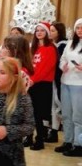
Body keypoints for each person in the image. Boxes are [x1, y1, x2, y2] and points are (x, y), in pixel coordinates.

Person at [0, 57, 34, 166]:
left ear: (14, 77)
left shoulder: (23, 98)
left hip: (12, 154)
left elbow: (30, 126)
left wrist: (8, 131)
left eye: (2, 73)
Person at [27, 22, 57, 151]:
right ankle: (28, 137)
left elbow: (45, 69)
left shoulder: (50, 48)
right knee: (29, 112)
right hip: (31, 83)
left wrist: (32, 80)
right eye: (37, 30)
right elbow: (28, 65)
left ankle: (39, 139)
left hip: (42, 84)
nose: (39, 33)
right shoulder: (33, 48)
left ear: (47, 33)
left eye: (42, 30)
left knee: (38, 113)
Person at [56, 18, 82, 157]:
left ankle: (78, 144)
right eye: (77, 28)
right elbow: (62, 59)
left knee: (78, 116)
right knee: (66, 114)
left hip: (79, 84)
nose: (80, 30)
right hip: (66, 81)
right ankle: (68, 141)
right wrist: (63, 66)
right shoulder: (70, 43)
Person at [46, 22, 67, 143]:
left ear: (59, 32)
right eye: (50, 30)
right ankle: (53, 131)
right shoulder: (51, 45)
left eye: (53, 30)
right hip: (52, 79)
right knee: (52, 106)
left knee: (60, 105)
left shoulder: (63, 45)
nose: (50, 33)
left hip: (61, 80)